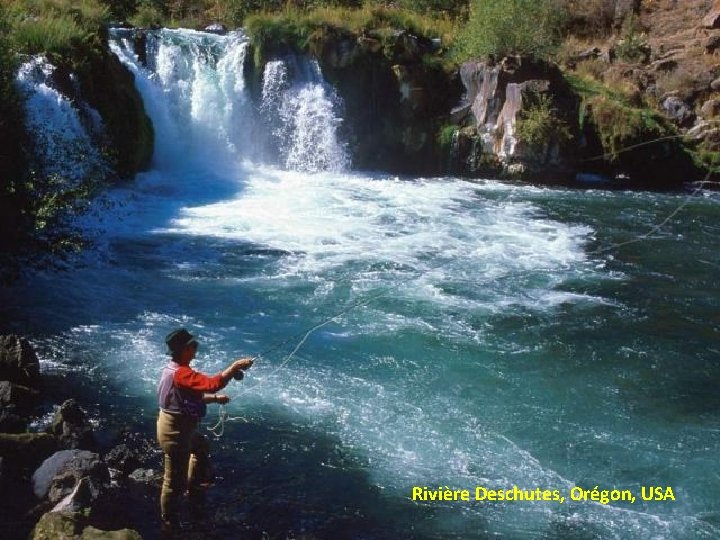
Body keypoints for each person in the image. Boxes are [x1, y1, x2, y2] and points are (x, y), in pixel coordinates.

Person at [157, 327, 253, 531]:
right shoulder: (182, 374)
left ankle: (194, 487)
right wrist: (234, 366)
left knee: (200, 447)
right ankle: (168, 522)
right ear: (184, 350)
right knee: (173, 483)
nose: (196, 349)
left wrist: (216, 400)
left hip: (176, 428)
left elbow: (194, 395)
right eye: (193, 346)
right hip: (175, 433)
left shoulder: (172, 369)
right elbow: (211, 384)